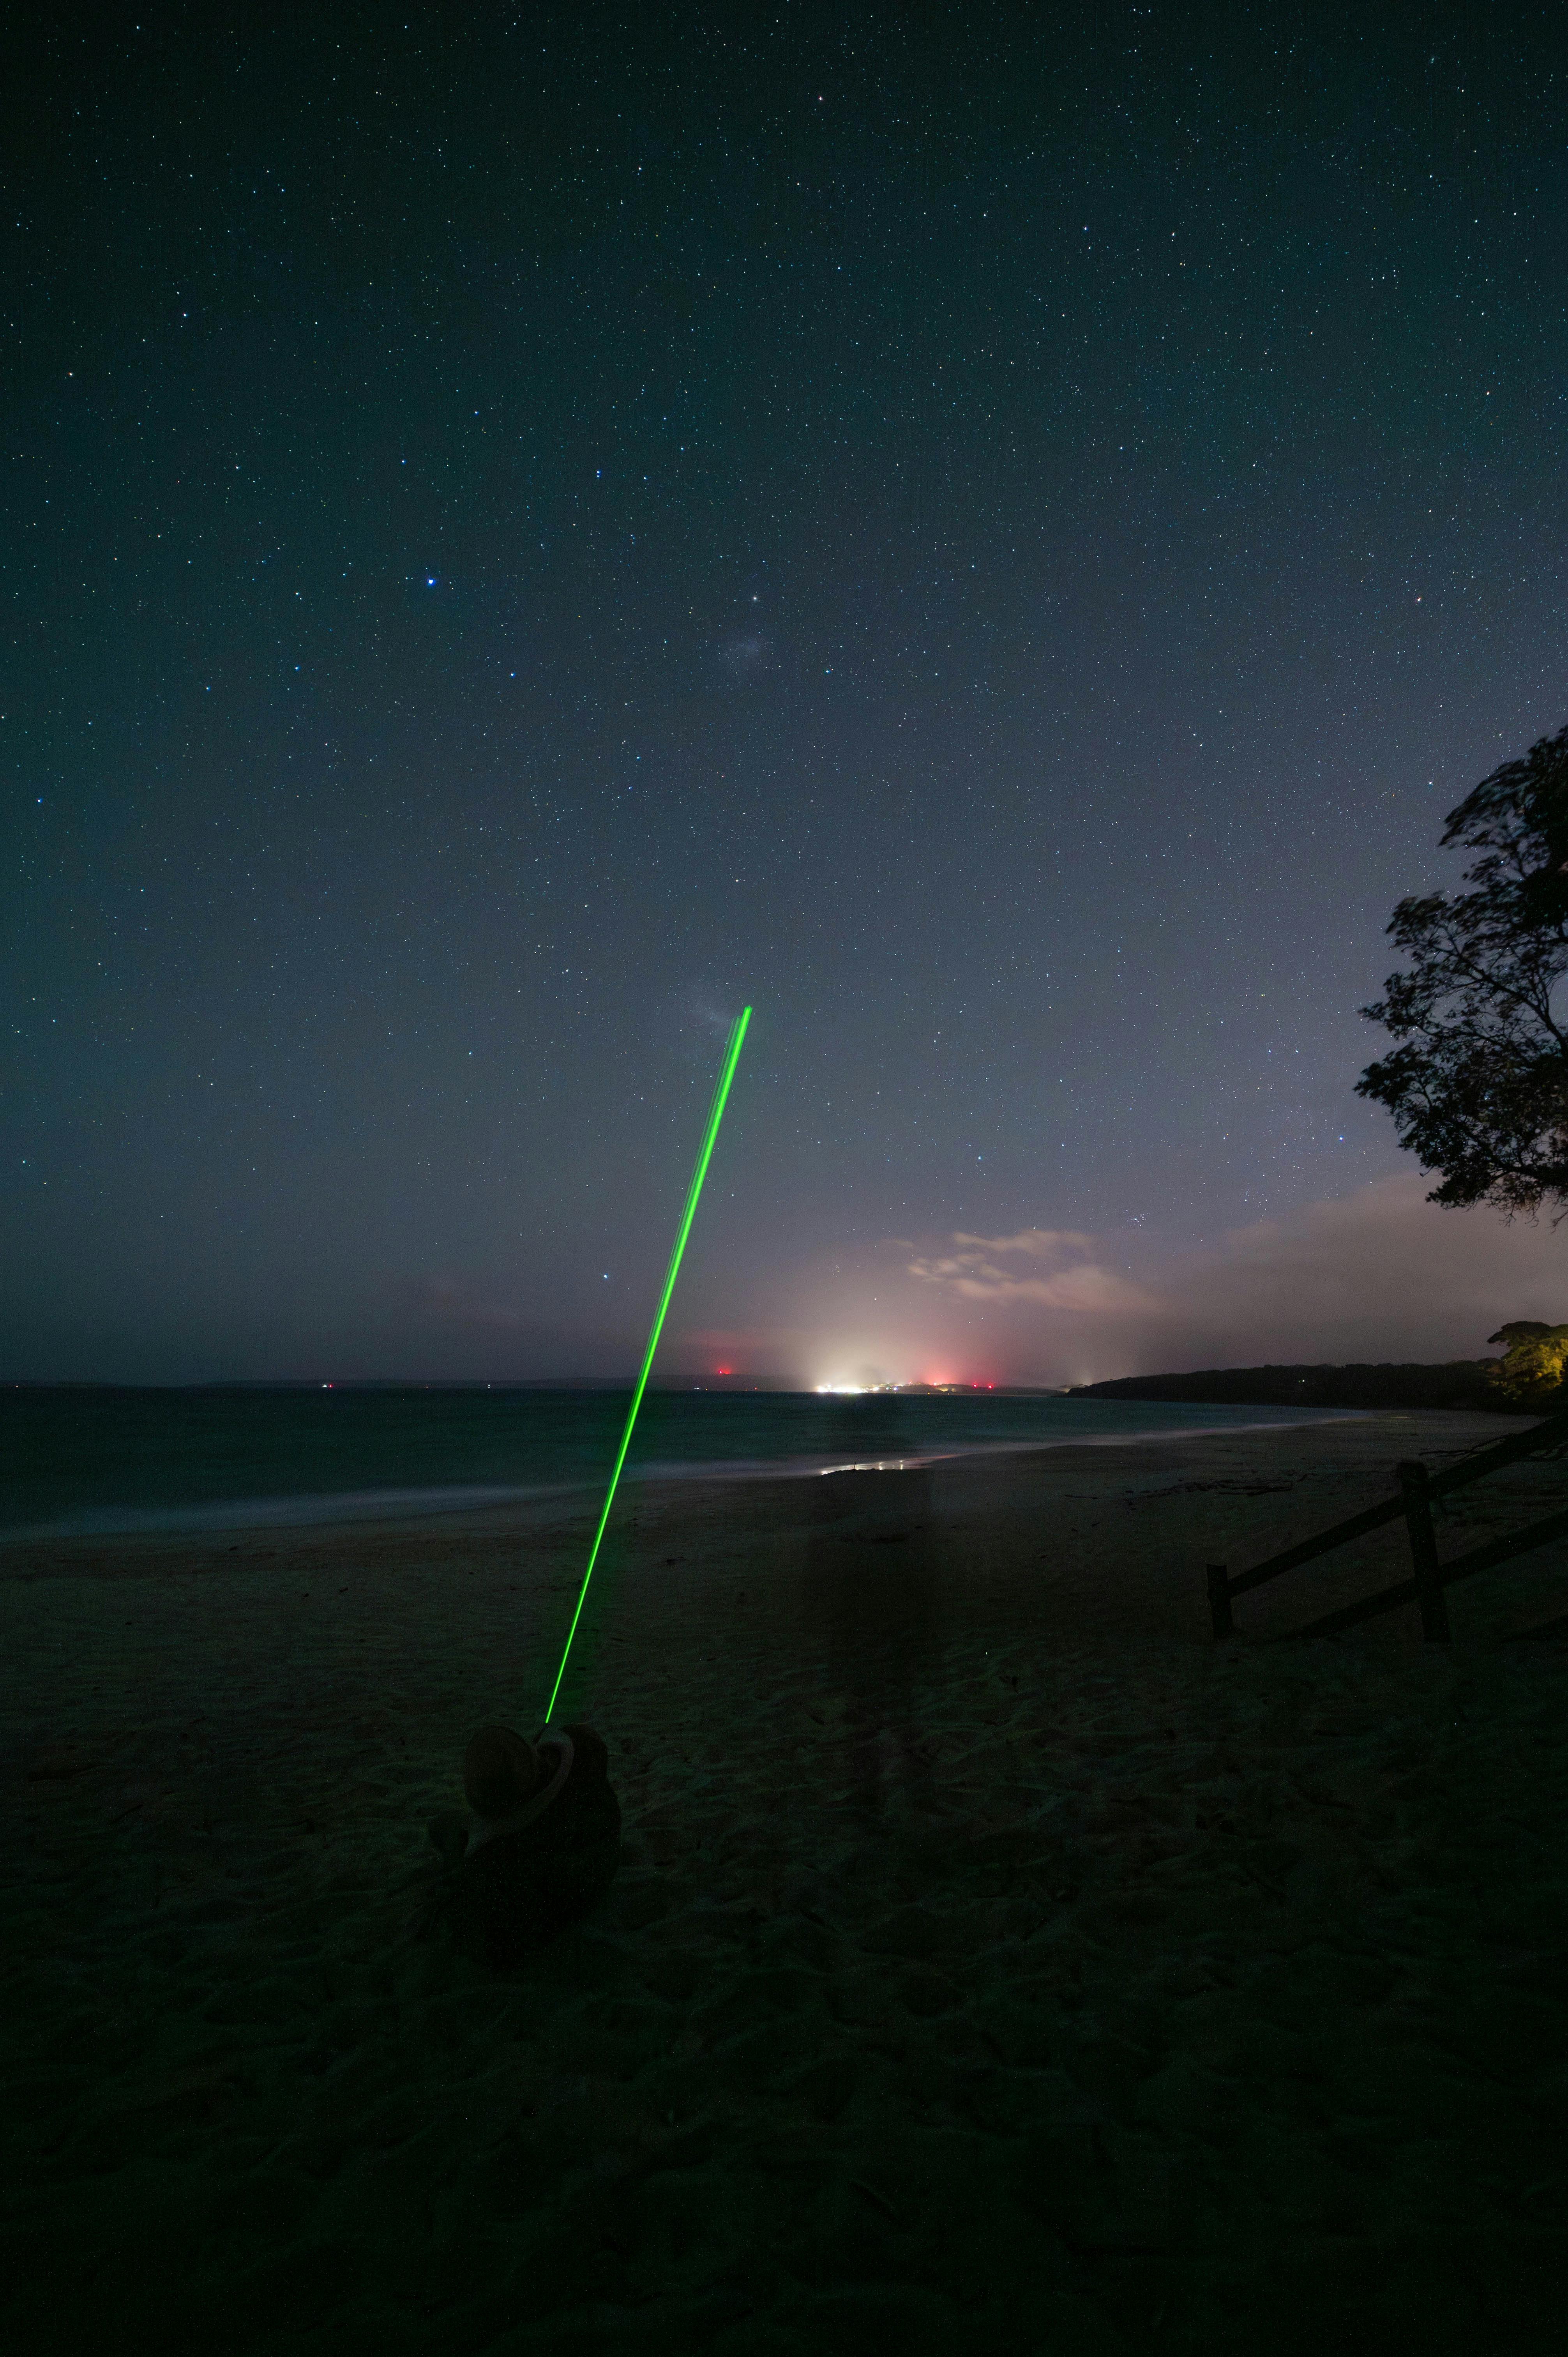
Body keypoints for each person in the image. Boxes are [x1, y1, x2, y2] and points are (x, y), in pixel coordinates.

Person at [427, 1720, 620, 1966]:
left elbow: (493, 1944)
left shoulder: (498, 1859)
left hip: (570, 1897)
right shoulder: (583, 1755)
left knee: (444, 1827)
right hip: (604, 1862)